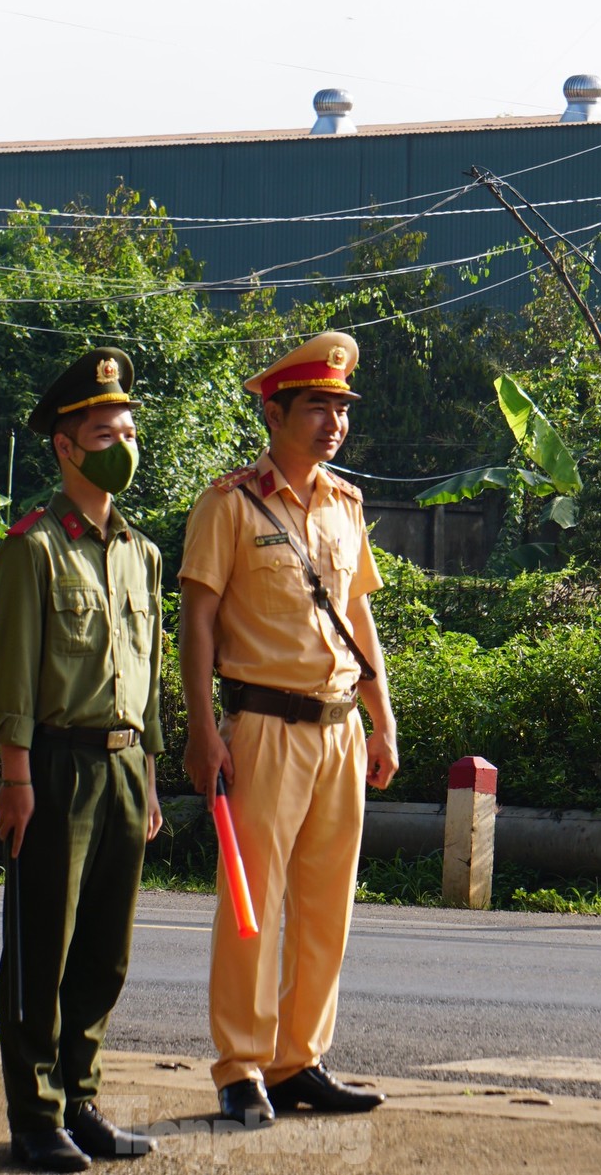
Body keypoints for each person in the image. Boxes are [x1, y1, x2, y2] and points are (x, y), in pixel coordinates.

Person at [177, 331, 400, 1129]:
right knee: (253, 906)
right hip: (263, 726)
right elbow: (196, 624)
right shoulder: (229, 503)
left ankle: (298, 1057)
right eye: (317, 406)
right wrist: (204, 730)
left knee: (325, 904)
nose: (333, 421)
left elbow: (359, 616)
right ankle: (241, 1065)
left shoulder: (346, 504)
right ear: (274, 411)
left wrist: (384, 717)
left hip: (341, 727)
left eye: (341, 407)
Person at [0, 349, 166, 1173]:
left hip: (125, 768)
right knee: (41, 947)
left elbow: (151, 679)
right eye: (104, 431)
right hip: (55, 768)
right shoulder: (32, 548)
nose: (121, 443)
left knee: (105, 948)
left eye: (128, 429)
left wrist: (152, 777)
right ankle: (36, 1114)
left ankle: (82, 1096)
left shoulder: (142, 553)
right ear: (66, 445)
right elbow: (12, 679)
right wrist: (13, 777)